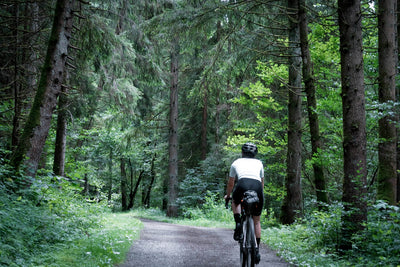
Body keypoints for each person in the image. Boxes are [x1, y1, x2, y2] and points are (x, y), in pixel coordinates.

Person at [224, 142, 264, 264]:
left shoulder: (236, 162)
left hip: (242, 185)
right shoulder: (259, 163)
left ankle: (238, 223)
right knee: (256, 220)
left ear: (242, 152)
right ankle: (256, 249)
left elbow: (231, 183)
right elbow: (262, 183)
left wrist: (228, 196)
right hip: (257, 187)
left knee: (235, 202)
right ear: (255, 154)